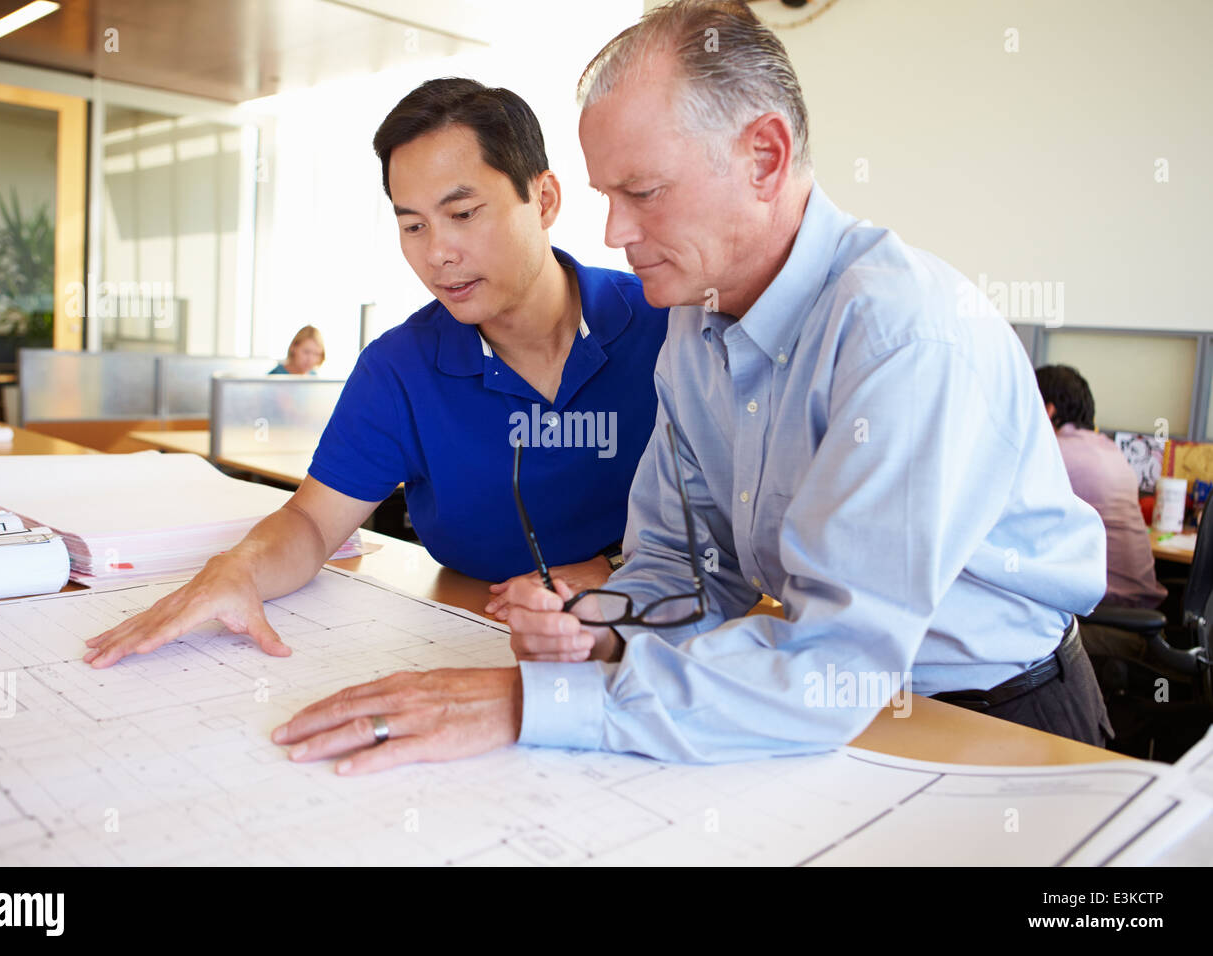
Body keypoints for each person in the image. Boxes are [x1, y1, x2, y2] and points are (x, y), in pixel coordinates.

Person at [264, 0, 1113, 776]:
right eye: (606, 195)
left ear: (765, 157)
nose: (613, 233)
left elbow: (835, 666)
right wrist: (596, 614)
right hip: (815, 707)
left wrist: (533, 704)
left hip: (993, 716)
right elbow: (689, 566)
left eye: (644, 193)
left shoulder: (903, 337)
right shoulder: (693, 323)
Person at [83, 78, 668, 668]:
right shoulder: (400, 367)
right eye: (413, 225)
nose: (437, 253)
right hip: (472, 636)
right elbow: (312, 523)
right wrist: (237, 569)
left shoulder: (666, 325)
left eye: (462, 213)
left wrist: (612, 571)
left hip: (658, 635)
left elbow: (731, 524)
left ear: (543, 201)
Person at [1036, 364, 1166, 609]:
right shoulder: (1109, 450)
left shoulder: (1056, 454)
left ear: (1048, 410)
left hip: (1109, 613)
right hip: (1141, 609)